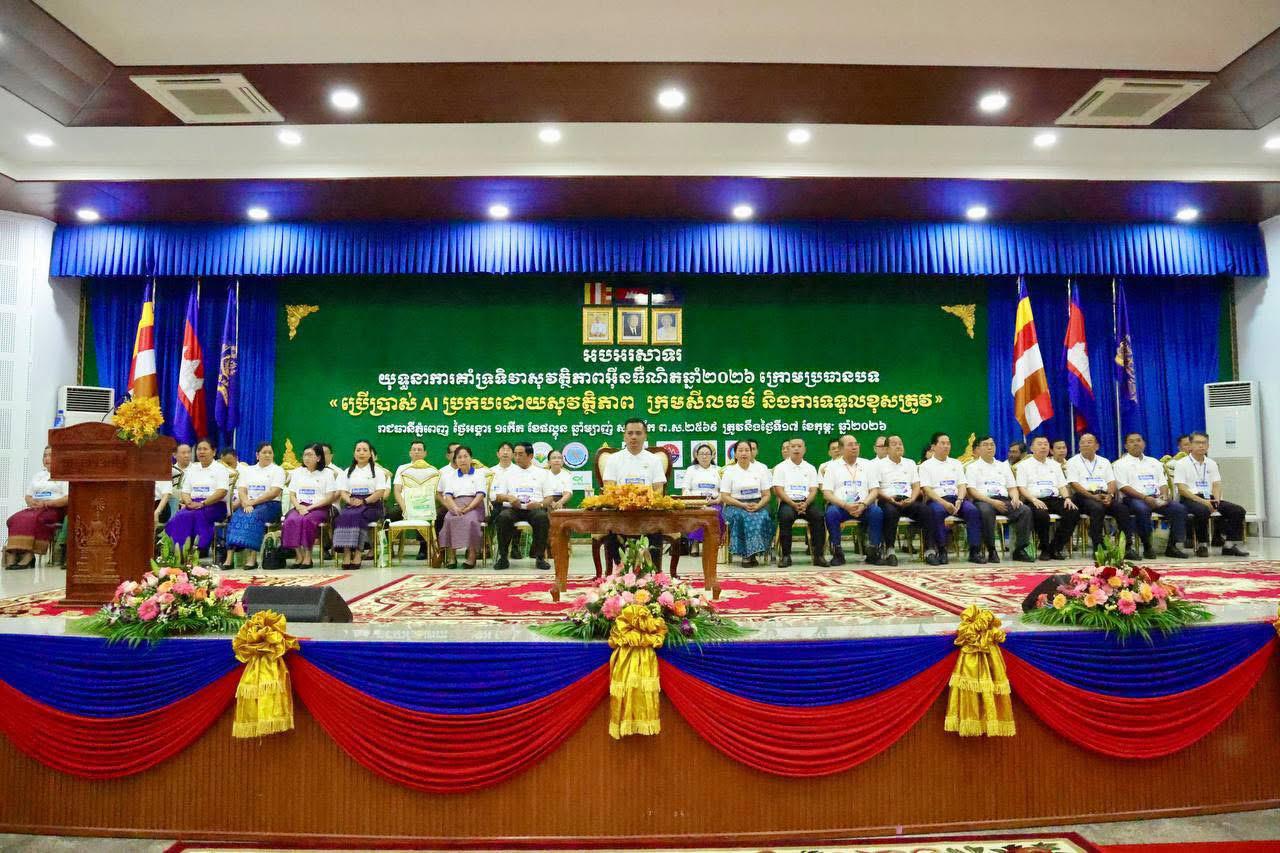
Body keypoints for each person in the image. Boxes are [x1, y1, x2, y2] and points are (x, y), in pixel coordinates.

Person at [602, 418, 668, 566]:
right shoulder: (614, 459)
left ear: (645, 436)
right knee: (611, 526)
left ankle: (652, 571)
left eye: (638, 433)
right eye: (630, 433)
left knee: (656, 525)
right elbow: (609, 489)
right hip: (621, 512)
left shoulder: (654, 460)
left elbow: (658, 490)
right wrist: (625, 502)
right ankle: (620, 571)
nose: (633, 437)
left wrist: (644, 502)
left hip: (647, 512)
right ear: (624, 436)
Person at [1113, 432, 1189, 559]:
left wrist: (1164, 495)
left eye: (1139, 440)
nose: (1136, 443)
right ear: (1126, 446)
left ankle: (1172, 546)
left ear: (1144, 444)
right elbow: (1123, 487)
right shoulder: (1120, 464)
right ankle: (1147, 546)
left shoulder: (1154, 462)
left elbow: (1163, 483)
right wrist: (1144, 498)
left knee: (1179, 509)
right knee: (1143, 509)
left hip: (1156, 497)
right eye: (1131, 441)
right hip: (1133, 498)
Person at [1173, 432, 1249, 557]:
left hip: (1210, 497)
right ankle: (1202, 545)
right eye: (1198, 443)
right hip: (1190, 498)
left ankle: (1229, 545)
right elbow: (1182, 489)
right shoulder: (1181, 464)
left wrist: (1216, 501)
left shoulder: (1211, 463)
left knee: (1238, 510)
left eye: (1204, 443)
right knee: (1202, 510)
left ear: (1208, 446)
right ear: (1190, 445)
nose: (1201, 446)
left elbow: (1216, 484)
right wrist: (1203, 502)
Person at [1066, 433, 1137, 559]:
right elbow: (1074, 484)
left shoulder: (1104, 462)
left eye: (1089, 442)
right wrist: (1092, 496)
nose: (1085, 444)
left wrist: (1110, 495)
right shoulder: (1073, 462)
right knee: (1097, 508)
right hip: (1083, 496)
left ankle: (1126, 548)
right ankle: (1098, 547)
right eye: (1082, 442)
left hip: (1103, 495)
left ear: (1097, 446)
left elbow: (1111, 482)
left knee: (1122, 509)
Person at [965, 435, 1033, 562]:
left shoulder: (1003, 466)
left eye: (992, 444)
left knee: (1025, 510)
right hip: (984, 500)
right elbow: (972, 491)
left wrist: (1015, 498)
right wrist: (992, 502)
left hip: (1003, 499)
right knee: (986, 512)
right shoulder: (972, 467)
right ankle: (992, 550)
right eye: (985, 445)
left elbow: (1012, 488)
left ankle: (1019, 550)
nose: (989, 447)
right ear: (978, 449)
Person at [918, 432, 982, 564]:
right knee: (937, 512)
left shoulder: (956, 463)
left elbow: (962, 484)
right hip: (937, 500)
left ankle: (974, 551)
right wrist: (944, 503)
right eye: (942, 443)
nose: (946, 446)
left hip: (957, 499)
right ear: (933, 446)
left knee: (973, 511)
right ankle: (942, 550)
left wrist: (960, 499)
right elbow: (927, 489)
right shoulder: (925, 466)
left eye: (948, 443)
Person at [1015, 436, 1081, 561]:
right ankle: (1045, 548)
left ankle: (1055, 547)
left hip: (1054, 498)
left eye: (1045, 444)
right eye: (1040, 444)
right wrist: (1033, 499)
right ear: (1032, 448)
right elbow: (1021, 487)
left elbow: (1061, 485)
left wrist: (1067, 498)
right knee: (1041, 515)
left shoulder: (1055, 465)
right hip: (1034, 499)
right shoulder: (1024, 465)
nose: (1043, 447)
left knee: (1073, 511)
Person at [822, 435, 884, 566]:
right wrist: (845, 505)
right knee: (831, 513)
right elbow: (827, 493)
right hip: (841, 507)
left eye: (856, 444)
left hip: (864, 506)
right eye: (850, 445)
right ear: (841, 449)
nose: (854, 447)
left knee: (877, 512)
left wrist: (864, 504)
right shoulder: (832, 467)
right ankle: (837, 552)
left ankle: (873, 551)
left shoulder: (868, 465)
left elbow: (874, 490)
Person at [224, 442, 286, 570]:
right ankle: (229, 559)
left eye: (270, 452)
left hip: (270, 505)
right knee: (236, 516)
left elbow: (274, 492)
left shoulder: (278, 470)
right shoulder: (248, 470)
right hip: (249, 503)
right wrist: (245, 502)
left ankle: (252, 559)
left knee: (254, 516)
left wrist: (252, 503)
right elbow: (242, 490)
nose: (267, 455)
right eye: (264, 452)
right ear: (257, 455)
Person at [3, 446, 68, 569]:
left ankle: (28, 555)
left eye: (50, 455)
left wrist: (48, 503)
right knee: (15, 518)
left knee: (34, 519)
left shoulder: (64, 475)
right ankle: (14, 552)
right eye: (45, 455)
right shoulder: (39, 475)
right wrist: (31, 501)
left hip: (53, 509)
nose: (47, 458)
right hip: (36, 508)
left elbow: (67, 498)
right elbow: (28, 496)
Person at [493, 441, 553, 571]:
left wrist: (540, 504)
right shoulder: (507, 473)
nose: (517, 457)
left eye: (520, 454)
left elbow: (549, 498)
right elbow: (497, 496)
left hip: (534, 508)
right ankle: (503, 558)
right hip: (513, 508)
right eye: (515, 454)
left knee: (542, 518)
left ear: (530, 456)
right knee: (503, 517)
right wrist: (509, 498)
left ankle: (540, 558)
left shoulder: (542, 473)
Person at [165, 439, 230, 555]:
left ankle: (199, 548)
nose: (201, 452)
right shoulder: (193, 469)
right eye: (199, 449)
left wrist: (203, 503)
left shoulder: (220, 469)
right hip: (193, 503)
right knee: (180, 516)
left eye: (205, 449)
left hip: (215, 505)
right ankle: (178, 549)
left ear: (214, 452)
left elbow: (222, 492)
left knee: (196, 514)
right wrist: (188, 502)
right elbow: (185, 491)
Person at [875, 435, 930, 565]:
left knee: (926, 510)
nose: (899, 446)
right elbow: (875, 488)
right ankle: (890, 551)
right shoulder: (878, 465)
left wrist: (912, 498)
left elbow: (916, 486)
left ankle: (929, 550)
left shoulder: (910, 463)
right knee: (890, 513)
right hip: (888, 500)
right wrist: (888, 498)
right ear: (887, 449)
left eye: (900, 443)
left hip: (907, 500)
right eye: (894, 444)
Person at [772, 438, 827, 567]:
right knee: (785, 517)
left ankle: (818, 556)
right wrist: (792, 503)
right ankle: (786, 556)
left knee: (819, 516)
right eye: (793, 446)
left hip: (806, 502)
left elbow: (813, 490)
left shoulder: (810, 468)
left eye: (799, 446)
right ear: (789, 449)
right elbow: (778, 490)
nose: (796, 449)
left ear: (804, 449)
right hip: (788, 502)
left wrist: (806, 503)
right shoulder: (781, 468)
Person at [333, 439, 387, 569]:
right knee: (343, 516)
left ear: (370, 454)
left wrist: (364, 501)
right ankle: (346, 553)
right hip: (352, 503)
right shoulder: (347, 472)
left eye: (365, 450)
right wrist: (350, 500)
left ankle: (358, 553)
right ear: (354, 453)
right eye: (358, 450)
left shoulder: (378, 472)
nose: (361, 453)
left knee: (358, 516)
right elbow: (343, 492)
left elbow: (380, 492)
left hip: (372, 505)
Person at [281, 443, 338, 568]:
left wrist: (310, 508)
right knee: (290, 520)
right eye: (305, 455)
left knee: (307, 520)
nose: (306, 458)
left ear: (318, 458)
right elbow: (292, 494)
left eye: (310, 455)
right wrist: (298, 506)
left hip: (319, 507)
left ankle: (308, 556)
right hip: (300, 506)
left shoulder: (327, 473)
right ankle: (299, 555)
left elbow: (330, 497)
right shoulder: (298, 472)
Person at [720, 439, 775, 567]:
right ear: (735, 454)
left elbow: (767, 495)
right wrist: (742, 505)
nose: (744, 453)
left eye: (747, 450)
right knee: (742, 516)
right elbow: (725, 496)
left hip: (757, 503)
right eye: (740, 450)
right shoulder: (729, 471)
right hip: (734, 505)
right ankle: (746, 555)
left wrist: (758, 505)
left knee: (763, 516)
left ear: (751, 453)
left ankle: (753, 553)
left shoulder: (760, 470)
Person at [439, 445, 487, 569]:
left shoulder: (479, 474)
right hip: (456, 504)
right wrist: (454, 508)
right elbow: (448, 495)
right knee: (449, 519)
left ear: (471, 458)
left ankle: (472, 555)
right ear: (455, 460)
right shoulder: (451, 475)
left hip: (474, 506)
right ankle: (452, 557)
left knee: (470, 520)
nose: (462, 460)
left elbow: (480, 495)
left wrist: (469, 508)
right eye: (459, 457)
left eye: (465, 456)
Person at [394, 440, 438, 561]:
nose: (417, 452)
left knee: (421, 514)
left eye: (419, 450)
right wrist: (405, 508)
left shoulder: (432, 470)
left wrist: (423, 505)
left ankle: (423, 547)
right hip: (404, 505)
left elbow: (434, 493)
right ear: (410, 453)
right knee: (389, 515)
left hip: (423, 506)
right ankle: (388, 549)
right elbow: (397, 491)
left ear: (425, 453)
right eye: (414, 449)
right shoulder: (402, 469)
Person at [681, 442, 722, 555]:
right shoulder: (691, 470)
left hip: (714, 502)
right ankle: (695, 543)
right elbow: (685, 489)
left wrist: (716, 500)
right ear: (696, 456)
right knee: (698, 513)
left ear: (712, 456)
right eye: (701, 454)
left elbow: (723, 491)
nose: (704, 456)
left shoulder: (718, 470)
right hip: (695, 503)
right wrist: (695, 502)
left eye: (707, 454)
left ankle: (713, 543)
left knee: (715, 512)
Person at [488, 441, 519, 558]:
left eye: (508, 450)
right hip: (495, 504)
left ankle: (515, 547)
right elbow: (488, 492)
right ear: (497, 454)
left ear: (513, 454)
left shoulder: (519, 471)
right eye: (503, 450)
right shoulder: (490, 472)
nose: (505, 452)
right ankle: (486, 546)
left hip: (513, 505)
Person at [170, 442, 192, 517]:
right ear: (174, 455)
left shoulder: (197, 469)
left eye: (189, 452)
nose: (187, 455)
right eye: (183, 453)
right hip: (172, 505)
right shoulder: (169, 471)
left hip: (192, 505)